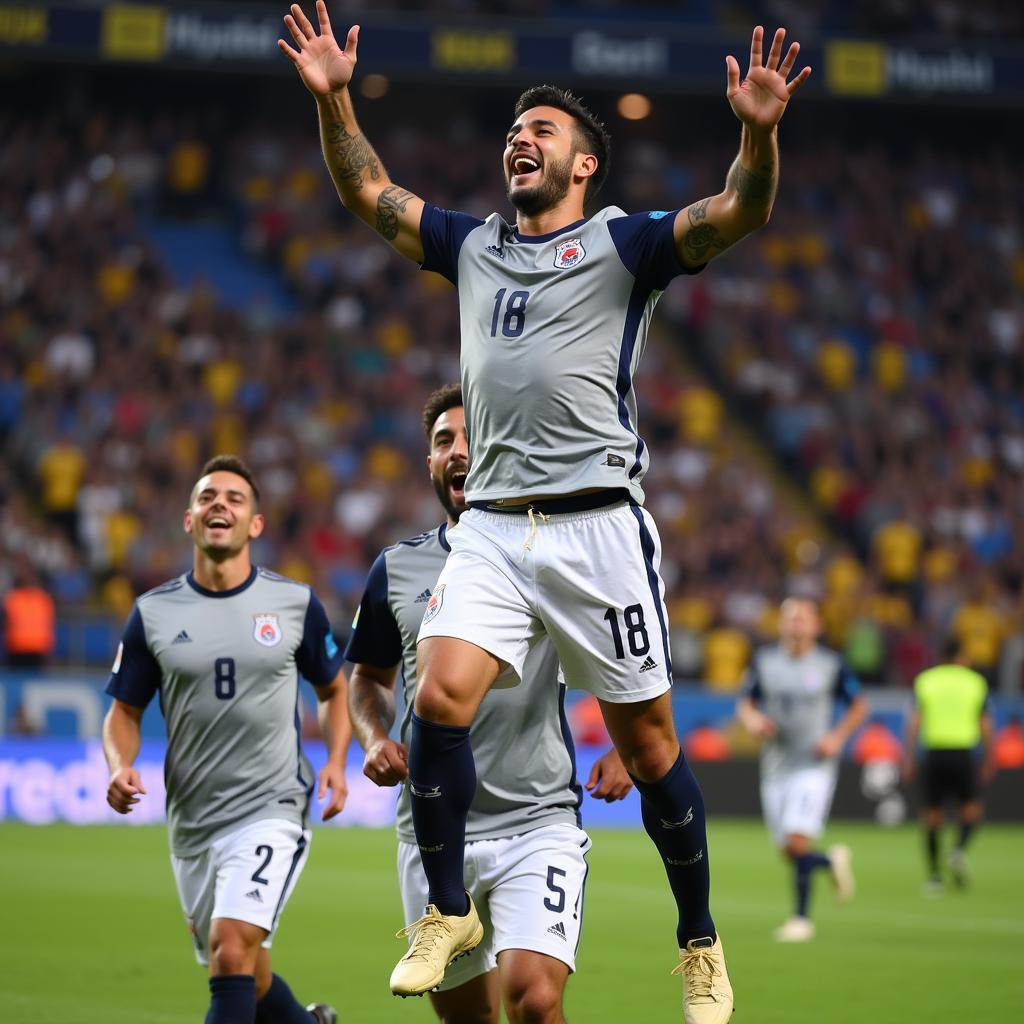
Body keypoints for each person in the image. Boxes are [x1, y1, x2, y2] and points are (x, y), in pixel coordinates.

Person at [281, 4, 811, 1017]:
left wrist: (758, 131)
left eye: (544, 132)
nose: (519, 138)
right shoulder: (473, 248)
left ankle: (699, 940)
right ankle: (447, 910)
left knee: (651, 750)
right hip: (492, 523)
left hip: (597, 521)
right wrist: (337, 99)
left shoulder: (625, 246)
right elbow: (367, 191)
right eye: (513, 129)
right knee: (436, 699)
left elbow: (738, 211)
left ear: (582, 169)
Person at [346, 382, 632, 1024]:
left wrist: (627, 744)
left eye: (472, 437)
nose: (458, 451)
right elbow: (367, 677)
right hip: (433, 831)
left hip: (538, 817)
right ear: (429, 463)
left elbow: (620, 655)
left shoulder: (554, 554)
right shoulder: (397, 567)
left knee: (534, 999)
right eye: (443, 440)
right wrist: (372, 735)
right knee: (467, 1018)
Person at [102, 455, 350, 1024]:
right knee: (250, 971)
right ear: (189, 519)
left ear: (255, 525)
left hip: (271, 807)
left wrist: (336, 760)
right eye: (208, 497)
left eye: (236, 499)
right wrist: (119, 764)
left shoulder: (294, 604)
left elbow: (334, 690)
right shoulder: (154, 613)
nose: (221, 504)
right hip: (191, 820)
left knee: (232, 947)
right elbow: (123, 711)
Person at [737, 596, 867, 942]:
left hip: (813, 765)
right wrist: (753, 720)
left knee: (796, 840)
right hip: (775, 764)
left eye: (803, 619)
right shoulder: (764, 662)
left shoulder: (829, 665)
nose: (796, 625)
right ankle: (830, 861)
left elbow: (859, 705)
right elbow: (746, 702)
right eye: (791, 618)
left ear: (817, 626)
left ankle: (801, 919)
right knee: (788, 849)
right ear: (780, 624)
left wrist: (837, 737)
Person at [902, 639, 996, 893]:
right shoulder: (975, 682)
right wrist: (990, 758)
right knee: (971, 812)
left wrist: (908, 757)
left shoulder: (926, 680)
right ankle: (957, 850)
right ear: (961, 656)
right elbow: (985, 723)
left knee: (931, 818)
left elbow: (914, 721)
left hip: (934, 754)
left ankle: (934, 877)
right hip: (963, 754)